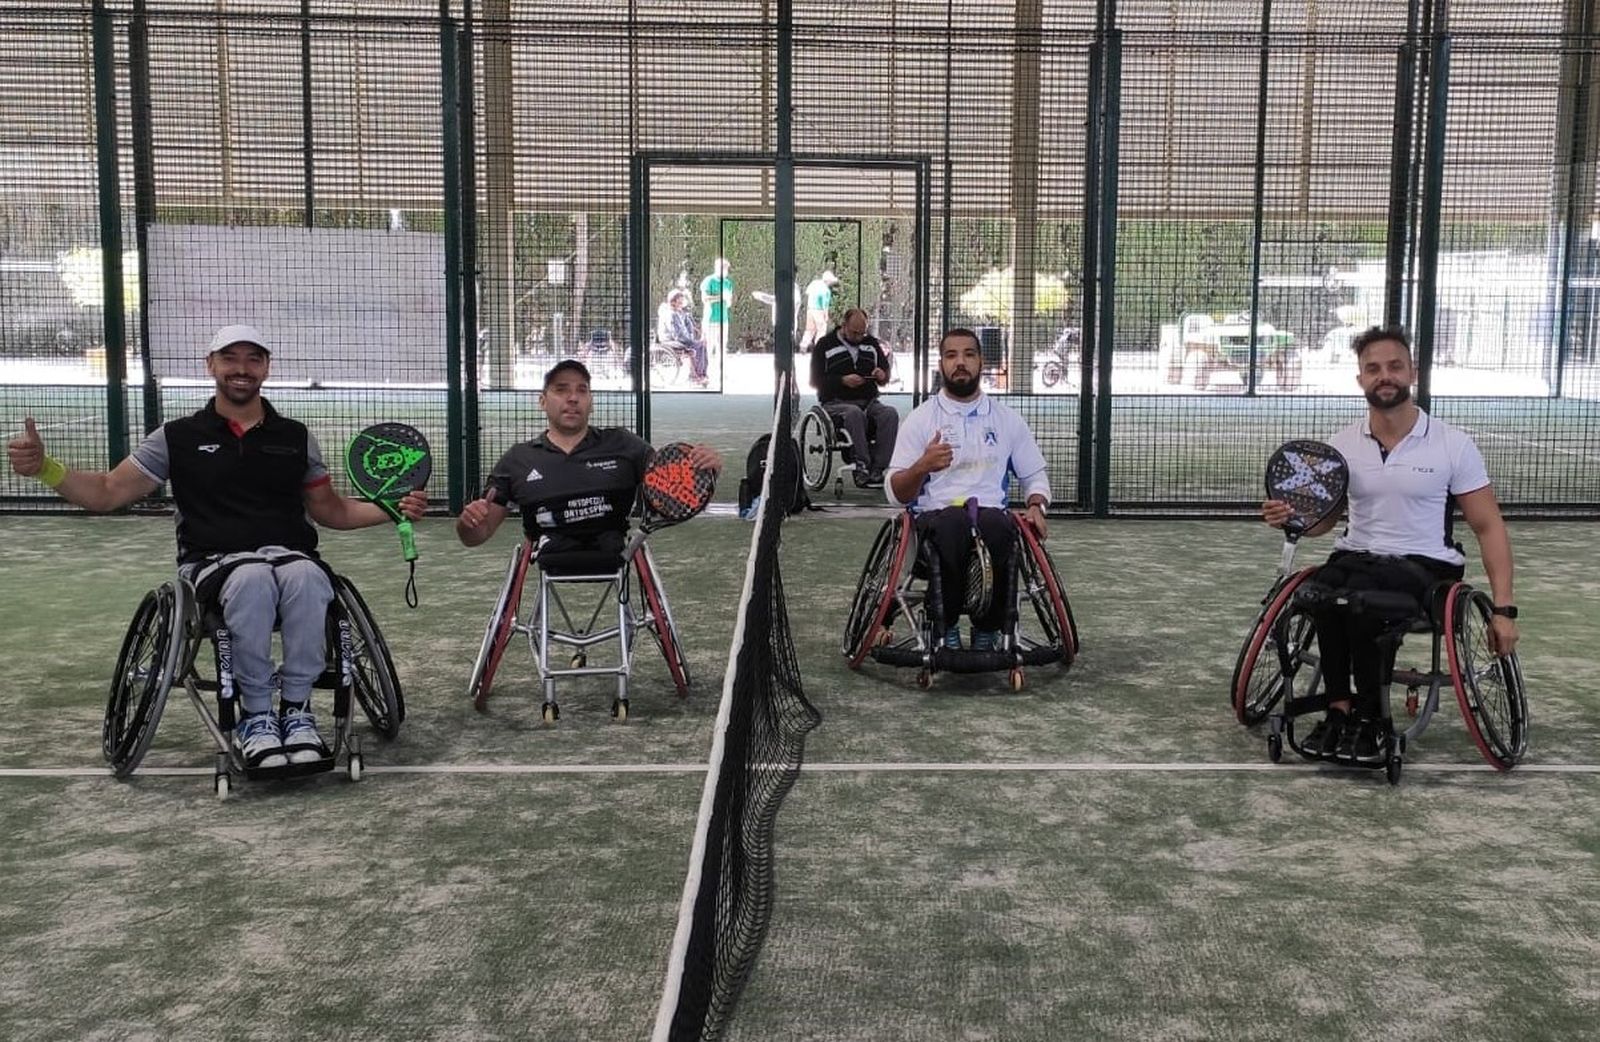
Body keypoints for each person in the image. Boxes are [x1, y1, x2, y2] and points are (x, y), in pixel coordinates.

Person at [5, 324, 427, 771]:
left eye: (253, 359)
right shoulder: (176, 437)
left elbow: (332, 511)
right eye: (230, 359)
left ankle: (297, 711)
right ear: (211, 365)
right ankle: (258, 715)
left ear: (266, 368)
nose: (241, 369)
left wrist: (392, 510)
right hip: (212, 565)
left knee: (307, 575)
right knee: (251, 578)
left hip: (290, 558)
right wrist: (45, 469)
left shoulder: (296, 437)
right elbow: (107, 491)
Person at [1262, 325, 1520, 762]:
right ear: (1360, 379)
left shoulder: (1452, 445)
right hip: (1356, 556)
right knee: (1321, 596)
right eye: (1373, 368)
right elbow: (1325, 525)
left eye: (1394, 366)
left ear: (1412, 372)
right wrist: (1292, 519)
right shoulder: (1340, 445)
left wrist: (1504, 609)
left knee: (1362, 604)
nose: (1385, 376)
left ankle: (1370, 716)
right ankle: (1339, 711)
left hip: (1426, 566)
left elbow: (1489, 527)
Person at [455, 359, 722, 568]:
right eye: (561, 389)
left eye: (581, 390)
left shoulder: (623, 443)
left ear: (590, 402)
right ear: (542, 401)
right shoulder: (518, 459)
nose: (573, 398)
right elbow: (477, 534)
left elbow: (673, 484)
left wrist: (707, 469)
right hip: (549, 552)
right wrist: (470, 524)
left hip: (615, 548)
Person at [884, 327, 1050, 652]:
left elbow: (1035, 476)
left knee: (1000, 526)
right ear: (941, 364)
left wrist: (1036, 506)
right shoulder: (920, 420)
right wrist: (921, 466)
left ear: (981, 363)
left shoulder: (1007, 420)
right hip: (935, 520)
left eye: (969, 355)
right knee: (952, 524)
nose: (960, 362)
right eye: (951, 355)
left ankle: (988, 630)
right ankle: (944, 629)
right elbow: (894, 492)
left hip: (989, 518)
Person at [809, 307, 898, 488]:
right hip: (835, 402)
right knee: (854, 413)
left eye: (862, 333)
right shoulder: (825, 345)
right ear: (844, 325)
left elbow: (884, 375)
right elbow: (815, 380)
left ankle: (878, 468)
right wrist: (842, 381)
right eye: (854, 332)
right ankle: (862, 465)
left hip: (869, 401)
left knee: (890, 414)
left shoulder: (872, 344)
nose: (858, 337)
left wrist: (882, 375)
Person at [655, 288, 709, 386]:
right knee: (699, 346)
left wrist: (691, 337)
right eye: (679, 302)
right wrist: (691, 341)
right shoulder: (671, 314)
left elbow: (687, 328)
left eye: (682, 302)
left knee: (701, 345)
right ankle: (698, 376)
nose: (682, 304)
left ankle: (700, 374)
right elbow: (678, 335)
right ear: (673, 302)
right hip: (670, 340)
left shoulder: (678, 312)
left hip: (677, 338)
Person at [699, 258, 733, 356]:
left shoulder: (727, 283)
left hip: (724, 319)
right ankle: (704, 368)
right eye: (722, 268)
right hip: (711, 319)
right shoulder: (709, 281)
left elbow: (728, 301)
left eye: (726, 268)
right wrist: (721, 297)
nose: (724, 270)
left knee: (722, 347)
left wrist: (728, 300)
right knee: (709, 346)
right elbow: (705, 298)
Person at [800, 269, 840, 352]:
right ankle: (819, 347)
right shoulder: (826, 290)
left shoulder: (814, 284)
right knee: (821, 330)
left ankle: (803, 345)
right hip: (819, 310)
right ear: (828, 281)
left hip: (810, 309)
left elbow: (807, 294)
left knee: (810, 329)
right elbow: (825, 304)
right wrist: (826, 315)